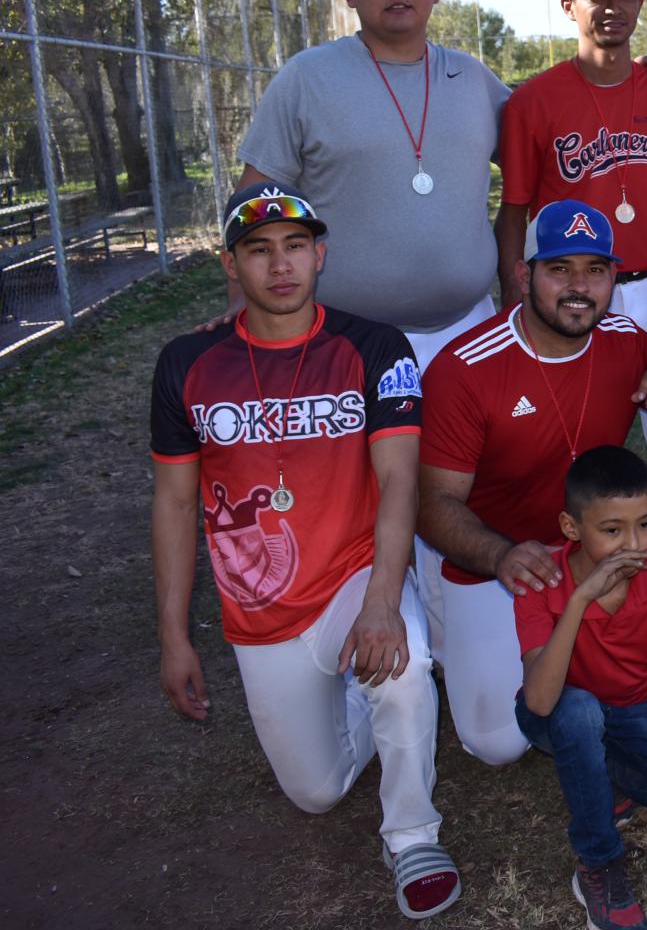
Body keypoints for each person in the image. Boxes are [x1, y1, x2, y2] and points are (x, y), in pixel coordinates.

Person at [151, 184, 459, 920]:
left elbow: (398, 479)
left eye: (295, 247)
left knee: (405, 662)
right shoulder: (189, 362)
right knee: (316, 792)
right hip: (264, 602)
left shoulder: (373, 344)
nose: (279, 265)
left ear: (321, 254)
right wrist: (171, 637)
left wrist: (384, 600)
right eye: (258, 250)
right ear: (231, 265)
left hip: (357, 572)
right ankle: (368, 697)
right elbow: (172, 502)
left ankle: (412, 833)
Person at [231, 0, 512, 651]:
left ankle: (462, 637)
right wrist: (250, 328)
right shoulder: (309, 77)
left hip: (466, 326)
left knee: (463, 487)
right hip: (350, 338)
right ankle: (380, 630)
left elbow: (550, 147)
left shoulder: (472, 78)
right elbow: (255, 204)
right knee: (358, 494)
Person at [417, 200, 647, 767]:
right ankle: (571, 674)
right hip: (502, 561)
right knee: (496, 744)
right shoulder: (465, 367)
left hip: (592, 544)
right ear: (524, 275)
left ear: (614, 277)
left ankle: (620, 678)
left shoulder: (624, 339)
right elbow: (433, 506)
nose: (579, 286)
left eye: (596, 269)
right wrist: (500, 555)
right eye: (559, 268)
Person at [496, 0, 647, 510]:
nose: (612, 5)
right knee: (567, 433)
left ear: (641, 5)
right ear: (568, 5)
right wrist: (512, 303)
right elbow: (514, 212)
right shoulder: (533, 102)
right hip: (574, 291)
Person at [515, 446, 647, 930]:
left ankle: (599, 774)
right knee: (579, 714)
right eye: (612, 530)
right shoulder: (541, 580)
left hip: (636, 708)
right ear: (572, 528)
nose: (633, 543)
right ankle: (598, 859)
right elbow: (540, 700)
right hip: (559, 711)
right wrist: (580, 599)